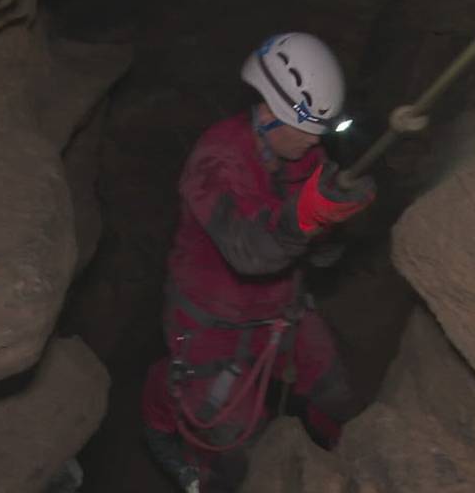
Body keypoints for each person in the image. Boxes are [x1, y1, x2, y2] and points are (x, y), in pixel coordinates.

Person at [141, 33, 376, 493]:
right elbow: (249, 252)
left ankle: (342, 467)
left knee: (334, 394)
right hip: (214, 322)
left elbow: (321, 254)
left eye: (321, 131)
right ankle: (163, 417)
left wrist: (333, 226)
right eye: (306, 128)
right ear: (268, 113)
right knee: (227, 444)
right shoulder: (216, 161)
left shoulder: (306, 156)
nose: (315, 142)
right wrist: (310, 215)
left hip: (282, 310)